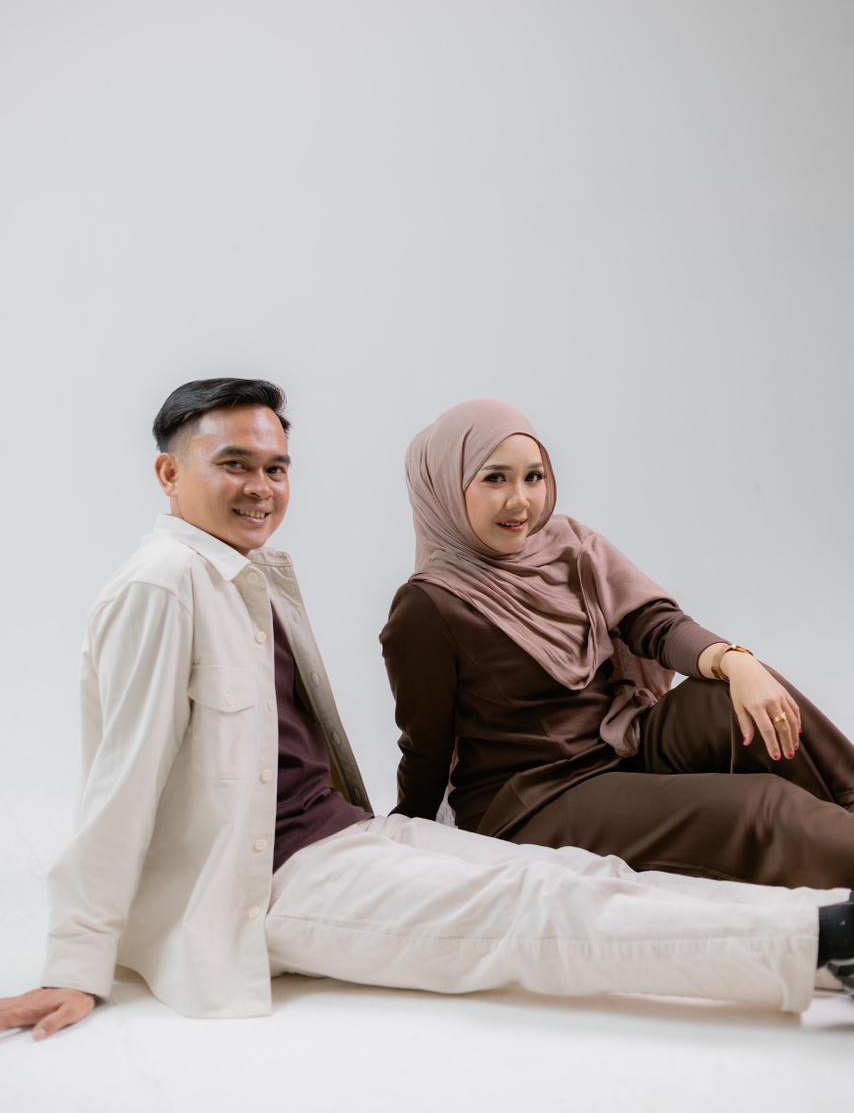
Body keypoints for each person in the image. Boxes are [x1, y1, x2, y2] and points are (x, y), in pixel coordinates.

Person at [3, 379, 854, 1044]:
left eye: (276, 467)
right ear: (170, 474)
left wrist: (398, 822)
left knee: (577, 877)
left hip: (344, 832)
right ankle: (823, 948)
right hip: (270, 879)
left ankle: (825, 928)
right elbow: (121, 784)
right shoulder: (162, 588)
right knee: (534, 918)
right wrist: (78, 961)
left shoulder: (247, 577)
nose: (261, 487)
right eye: (235, 465)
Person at [381, 399, 854, 889]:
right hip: (540, 799)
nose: (520, 501)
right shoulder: (429, 605)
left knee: (731, 700)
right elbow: (426, 749)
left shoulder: (567, 545)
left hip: (620, 742)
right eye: (495, 478)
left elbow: (655, 624)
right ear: (446, 485)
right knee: (763, 808)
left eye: (533, 477)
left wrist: (735, 662)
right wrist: (400, 838)